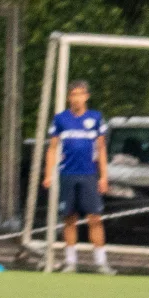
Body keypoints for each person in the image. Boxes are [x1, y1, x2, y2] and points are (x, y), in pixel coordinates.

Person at [42, 80, 114, 274]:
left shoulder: (96, 118)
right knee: (69, 218)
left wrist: (104, 177)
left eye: (80, 94)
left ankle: (101, 262)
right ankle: (70, 261)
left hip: (89, 175)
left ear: (87, 96)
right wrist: (48, 174)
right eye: (73, 94)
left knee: (95, 218)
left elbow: (101, 148)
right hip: (67, 174)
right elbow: (53, 148)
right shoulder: (60, 119)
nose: (77, 98)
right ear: (68, 97)